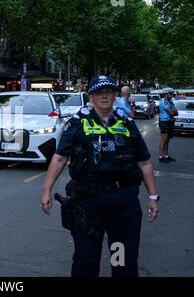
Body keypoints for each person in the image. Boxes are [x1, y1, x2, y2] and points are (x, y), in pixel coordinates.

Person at [40, 75, 159, 277]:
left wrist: (153, 197)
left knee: (121, 261)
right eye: (99, 92)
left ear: (115, 95)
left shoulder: (126, 123)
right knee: (87, 260)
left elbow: (144, 162)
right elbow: (60, 158)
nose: (104, 96)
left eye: (109, 91)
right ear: (91, 96)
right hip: (88, 205)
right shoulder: (78, 123)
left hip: (123, 207)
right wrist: (46, 191)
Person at [158, 88, 178, 163]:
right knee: (163, 140)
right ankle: (161, 156)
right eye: (171, 94)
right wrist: (173, 112)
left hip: (170, 122)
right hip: (164, 122)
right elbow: (172, 113)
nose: (172, 95)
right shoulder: (164, 102)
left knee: (168, 140)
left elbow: (177, 112)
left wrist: (174, 111)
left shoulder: (170, 102)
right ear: (166, 94)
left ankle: (166, 155)